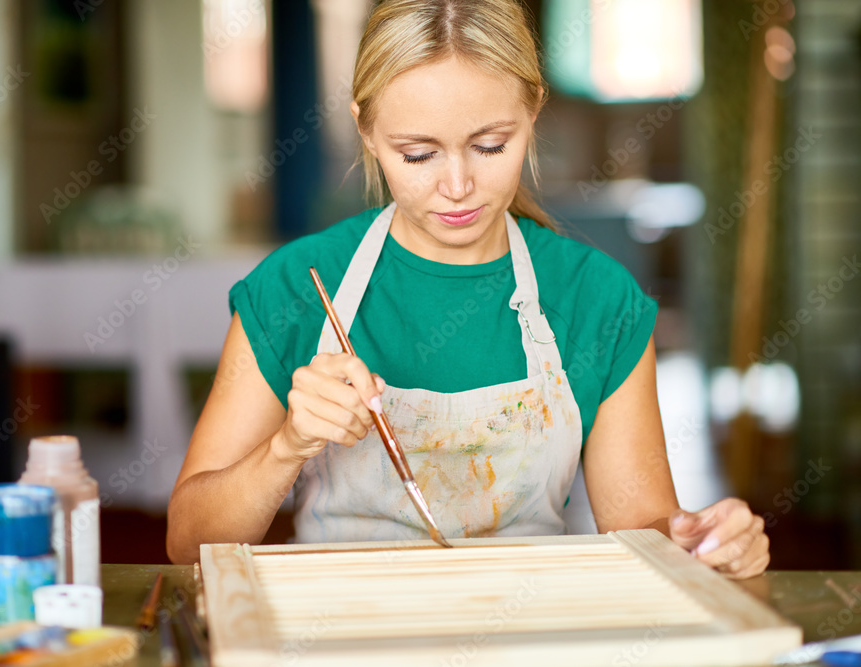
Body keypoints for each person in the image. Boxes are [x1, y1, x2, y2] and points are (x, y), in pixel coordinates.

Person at [167, 0, 770, 579]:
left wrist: (700, 542)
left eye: (489, 146)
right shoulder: (293, 287)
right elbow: (187, 541)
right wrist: (286, 446)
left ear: (533, 111)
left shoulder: (596, 299)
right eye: (418, 154)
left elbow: (645, 531)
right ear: (367, 131)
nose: (457, 186)